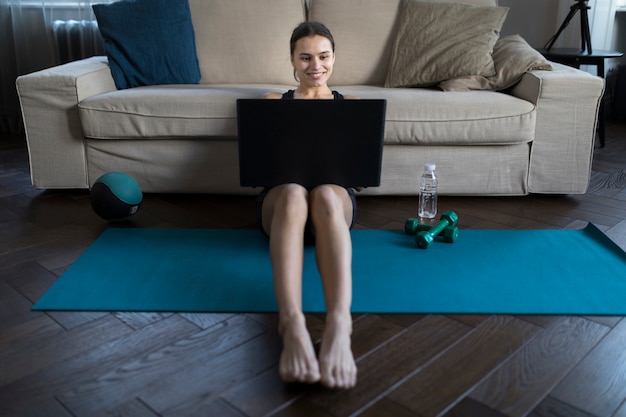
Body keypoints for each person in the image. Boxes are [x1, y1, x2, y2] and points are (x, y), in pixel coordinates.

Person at [258, 21, 358, 389]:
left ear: (334, 58)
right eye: (305, 57)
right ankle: (292, 322)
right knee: (295, 192)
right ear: (292, 60)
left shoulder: (352, 108)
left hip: (334, 208)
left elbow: (358, 176)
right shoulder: (272, 104)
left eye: (323, 56)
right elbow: (259, 168)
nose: (315, 65)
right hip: (283, 206)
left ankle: (339, 324)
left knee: (328, 194)